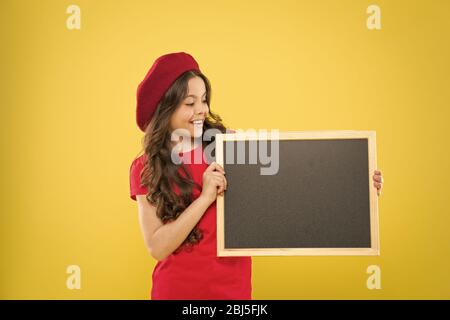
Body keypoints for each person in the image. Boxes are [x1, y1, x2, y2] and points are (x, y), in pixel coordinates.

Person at [129, 52, 252, 300]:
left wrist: (248, 161)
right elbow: (158, 247)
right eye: (190, 103)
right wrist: (205, 198)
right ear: (166, 107)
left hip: (232, 291)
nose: (201, 110)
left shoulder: (227, 147)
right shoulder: (145, 168)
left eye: (204, 101)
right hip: (177, 291)